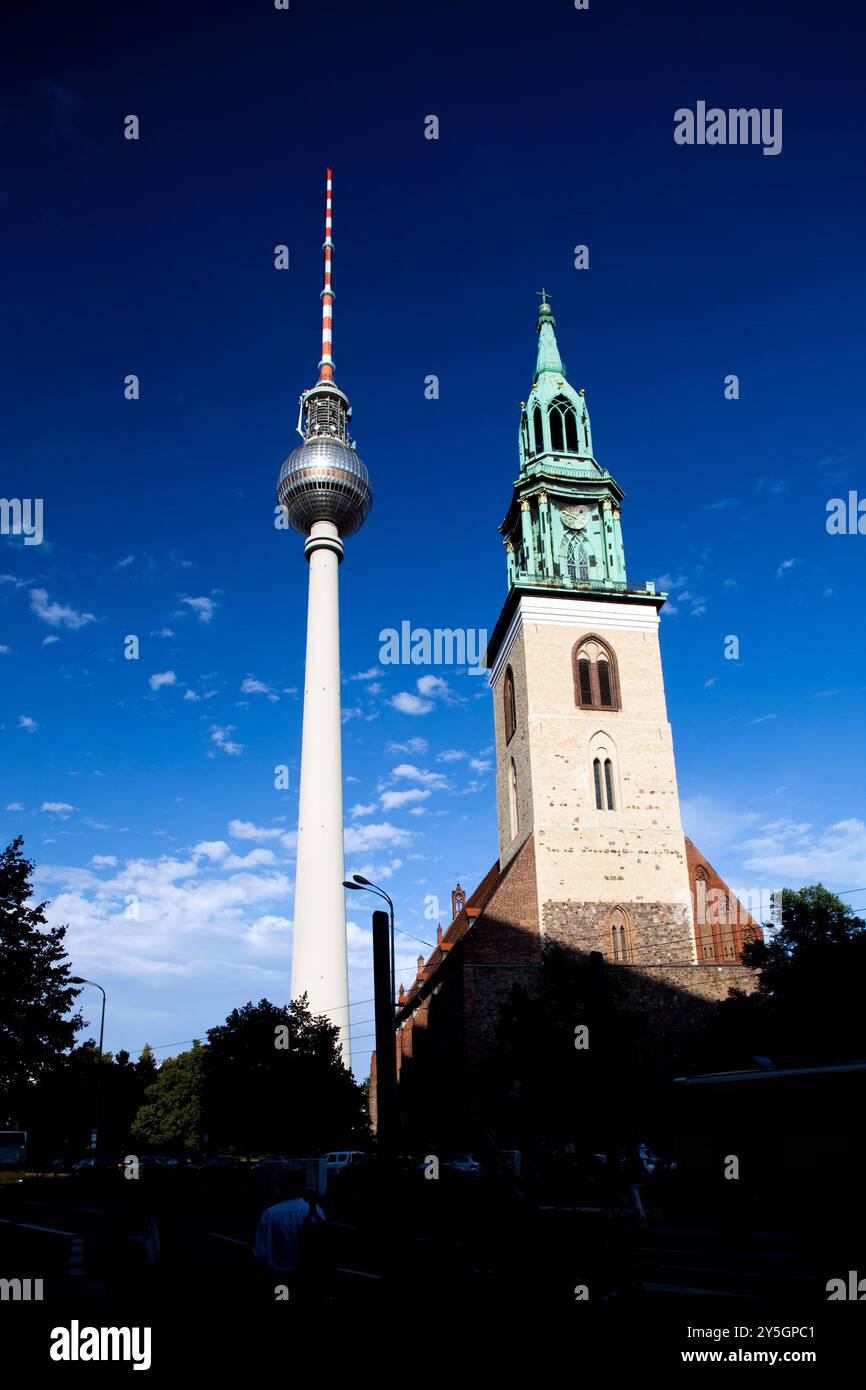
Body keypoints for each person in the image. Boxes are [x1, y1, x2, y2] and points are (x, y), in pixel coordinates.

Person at [253, 1169, 326, 1297]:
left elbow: (259, 1251)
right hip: (307, 1274)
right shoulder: (314, 1210)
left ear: (281, 1187)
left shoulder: (269, 1213)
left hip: (278, 1275)